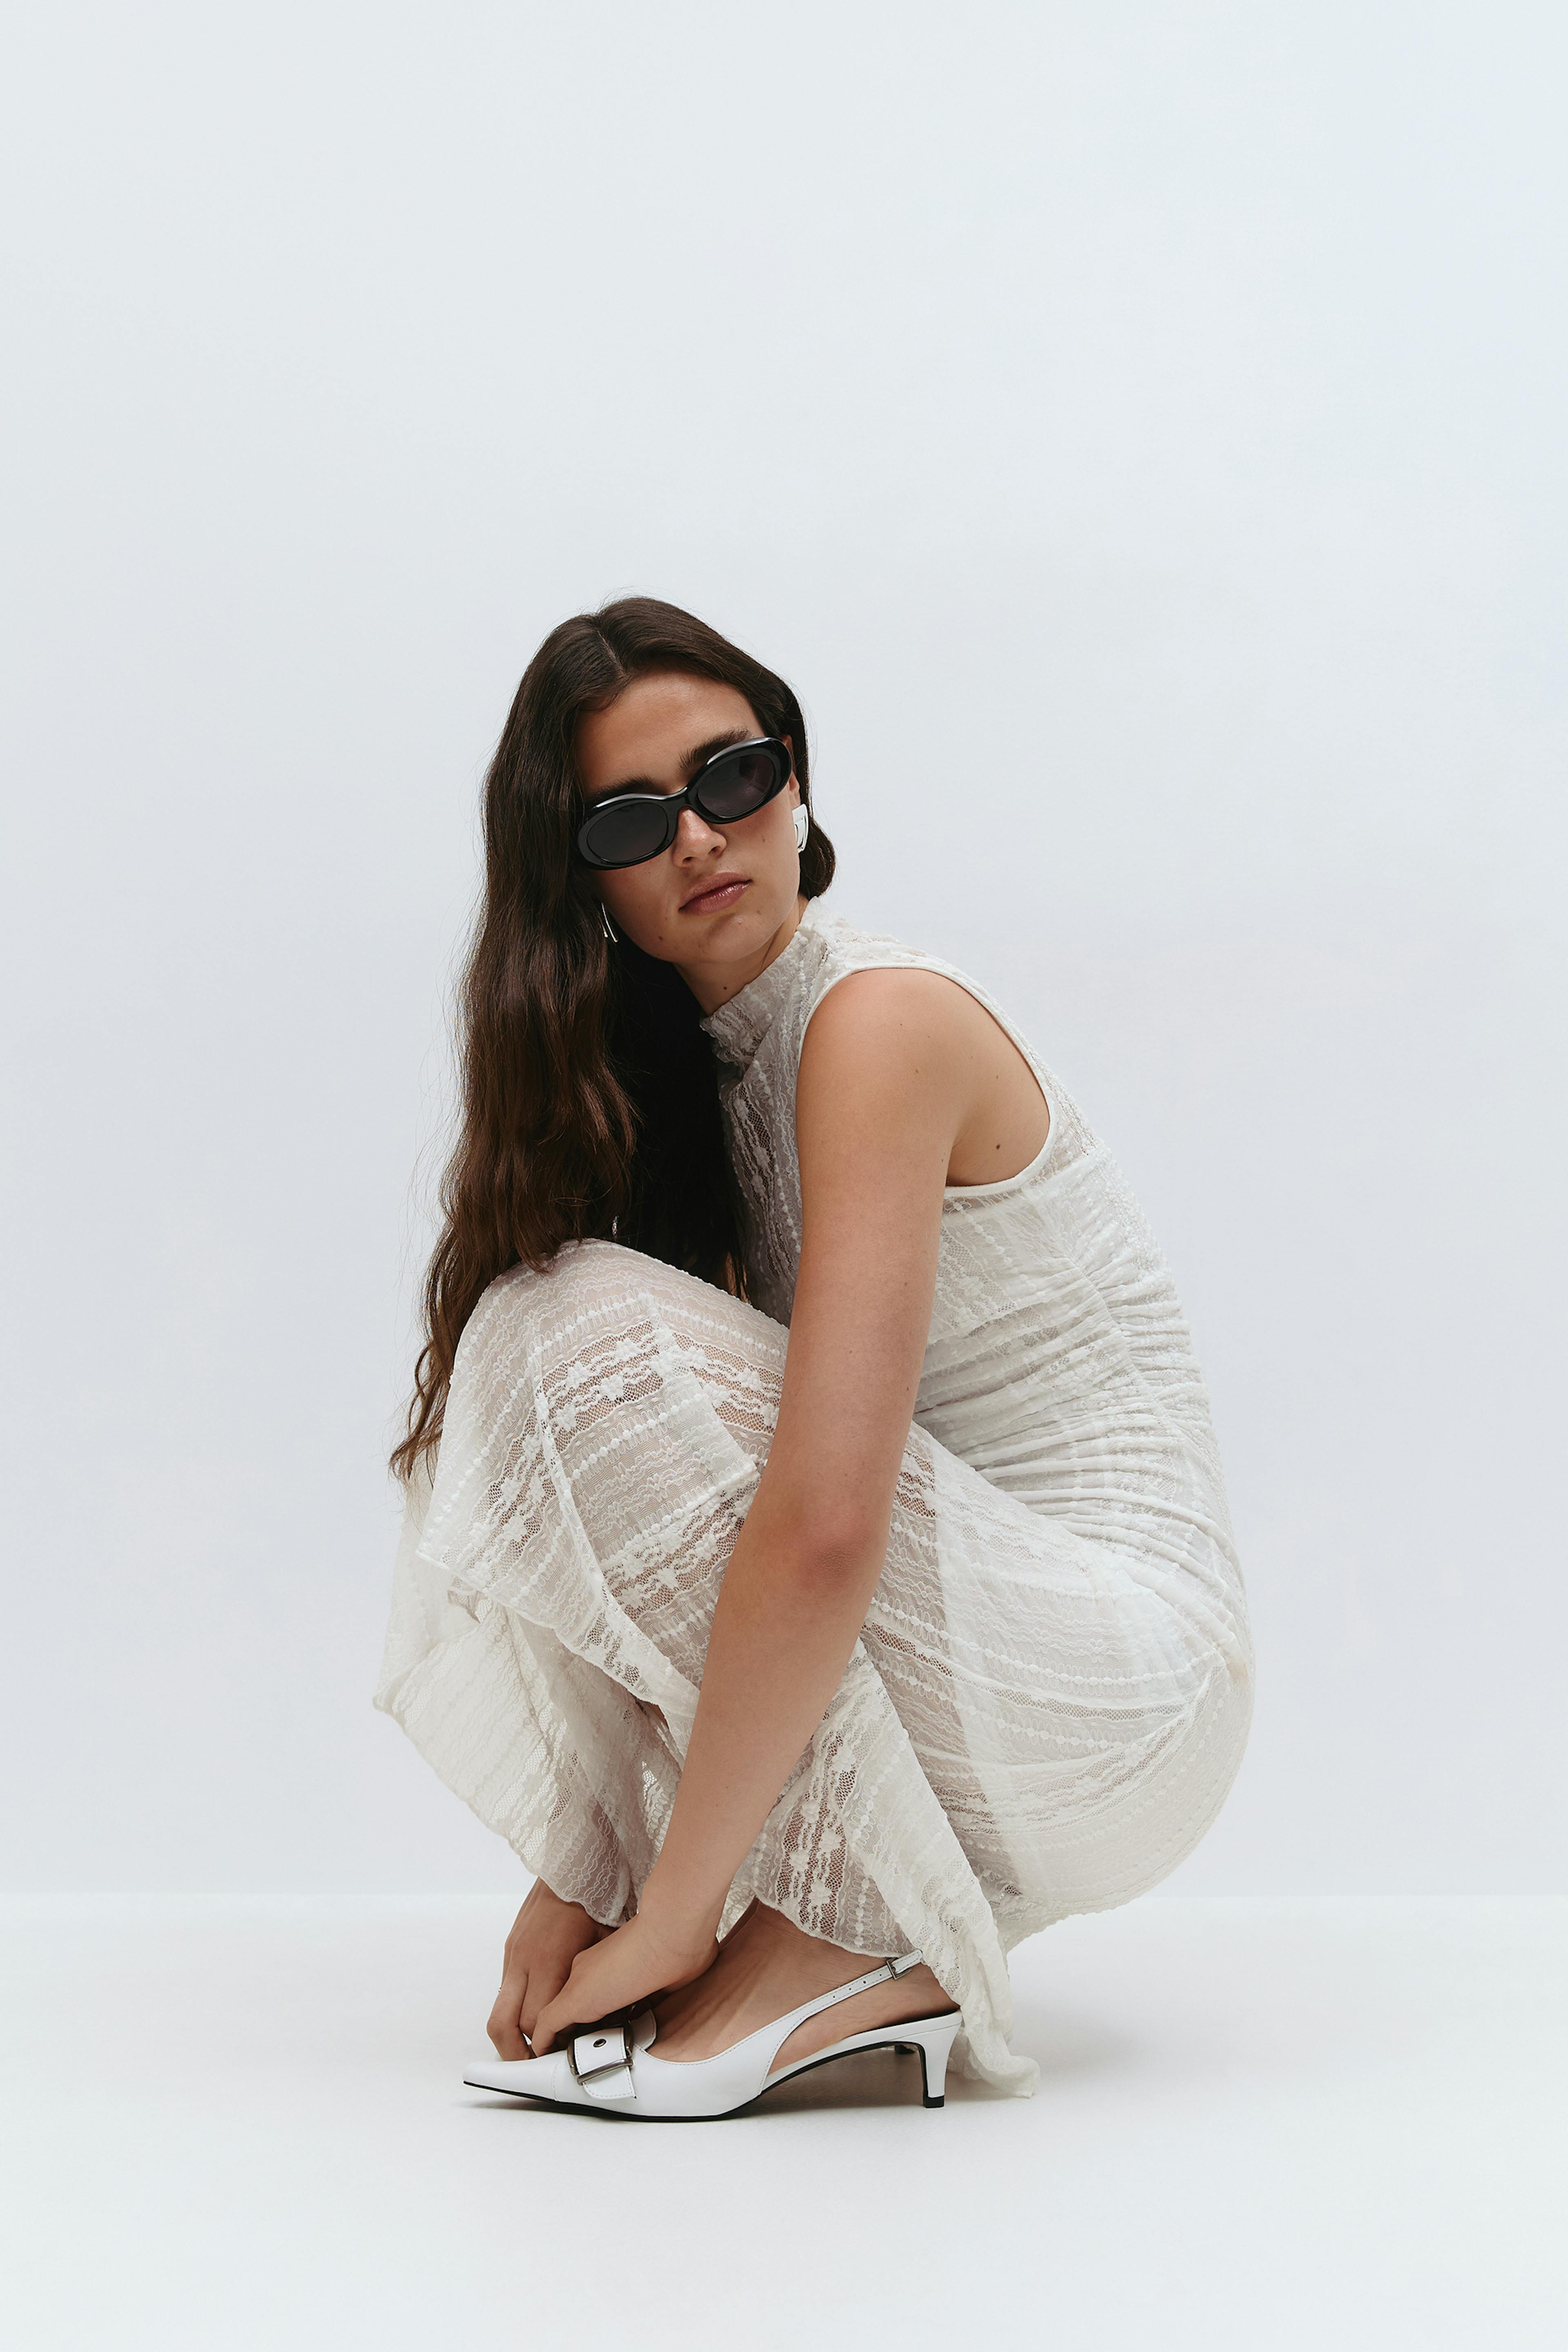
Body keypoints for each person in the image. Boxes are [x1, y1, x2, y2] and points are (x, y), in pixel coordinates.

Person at [374, 596, 1253, 2116]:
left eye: (732, 776)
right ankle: (839, 1940)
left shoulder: (877, 1024)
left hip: (1120, 1690)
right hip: (1017, 1692)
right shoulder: (699, 1088)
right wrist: (580, 1873)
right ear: (584, 885)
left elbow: (824, 1523)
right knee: (536, 1319)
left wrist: (665, 1914)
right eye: (630, 820)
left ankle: (838, 1937)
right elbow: (698, 1541)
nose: (698, 837)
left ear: (795, 780)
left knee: (569, 1329)